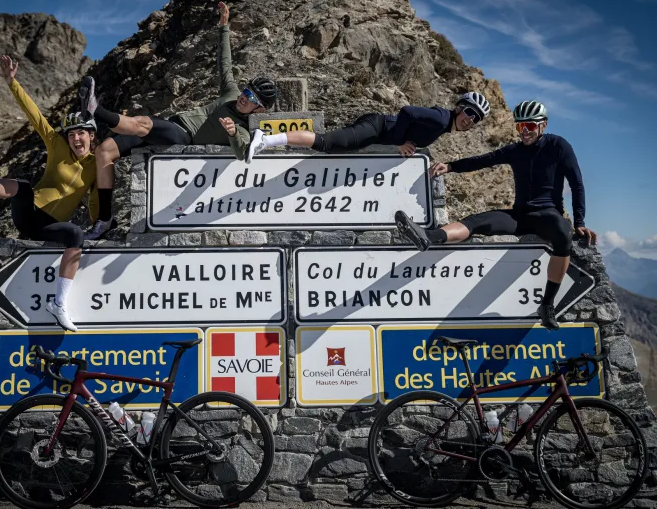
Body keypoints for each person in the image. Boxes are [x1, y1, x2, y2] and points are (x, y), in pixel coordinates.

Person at [80, 1, 278, 240]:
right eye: (247, 92)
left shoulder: (244, 127)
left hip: (183, 136)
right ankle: (104, 220)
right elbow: (225, 64)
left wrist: (233, 133)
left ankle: (96, 111)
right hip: (173, 124)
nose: (245, 98)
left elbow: (242, 151)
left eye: (252, 98)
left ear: (259, 109)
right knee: (105, 150)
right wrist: (223, 26)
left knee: (142, 123)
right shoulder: (231, 94)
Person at [395, 100, 598, 330]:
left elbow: (577, 183)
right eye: (520, 127)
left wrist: (580, 222)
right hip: (519, 216)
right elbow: (484, 160)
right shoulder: (515, 150)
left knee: (563, 232)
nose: (525, 132)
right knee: (477, 221)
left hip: (548, 216)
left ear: (543, 125)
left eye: (530, 126)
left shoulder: (558, 146)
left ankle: (547, 305)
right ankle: (428, 237)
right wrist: (450, 166)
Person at [0, 55, 99, 332]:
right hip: (28, 214)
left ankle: (59, 305)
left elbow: (95, 202)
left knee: (75, 234)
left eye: (80, 134)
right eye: (71, 135)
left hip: (48, 226)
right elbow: (34, 114)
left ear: (91, 136)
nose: (75, 139)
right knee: (23, 187)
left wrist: (100, 226)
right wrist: (12, 82)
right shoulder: (57, 146)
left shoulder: (96, 168)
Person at [245, 91, 491, 162]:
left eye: (476, 118)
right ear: (459, 107)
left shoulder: (443, 126)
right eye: (470, 112)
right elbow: (406, 111)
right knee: (326, 142)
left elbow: (412, 128)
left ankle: (267, 140)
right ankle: (265, 140)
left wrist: (408, 143)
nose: (471, 119)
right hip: (377, 126)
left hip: (377, 130)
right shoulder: (441, 118)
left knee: (334, 150)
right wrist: (398, 141)